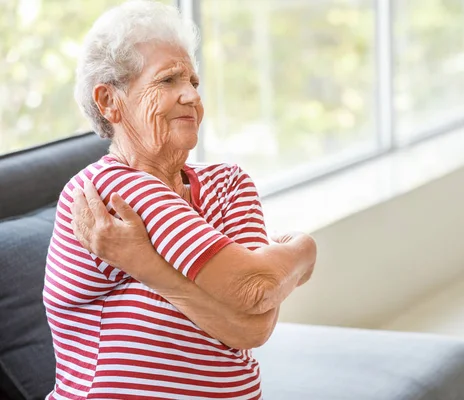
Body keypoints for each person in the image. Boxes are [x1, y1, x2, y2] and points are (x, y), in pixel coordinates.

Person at [42, 1, 316, 399]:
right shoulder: (111, 192)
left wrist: (144, 265)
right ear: (108, 101)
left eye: (194, 81)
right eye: (168, 80)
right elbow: (256, 289)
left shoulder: (228, 182)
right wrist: (303, 253)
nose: (190, 94)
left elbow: (255, 324)